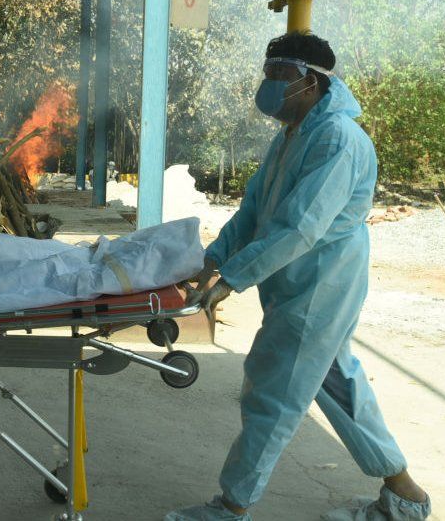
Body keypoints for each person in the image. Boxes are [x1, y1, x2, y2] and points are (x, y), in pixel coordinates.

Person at [166, 33, 430, 521]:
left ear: (310, 82)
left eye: (278, 77)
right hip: (298, 282)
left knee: (274, 390)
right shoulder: (294, 132)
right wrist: (213, 259)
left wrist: (233, 278)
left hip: (319, 285)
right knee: (337, 383)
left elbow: (301, 227)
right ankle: (404, 493)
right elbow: (255, 210)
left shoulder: (338, 139)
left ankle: (232, 506)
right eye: (266, 74)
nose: (267, 86)